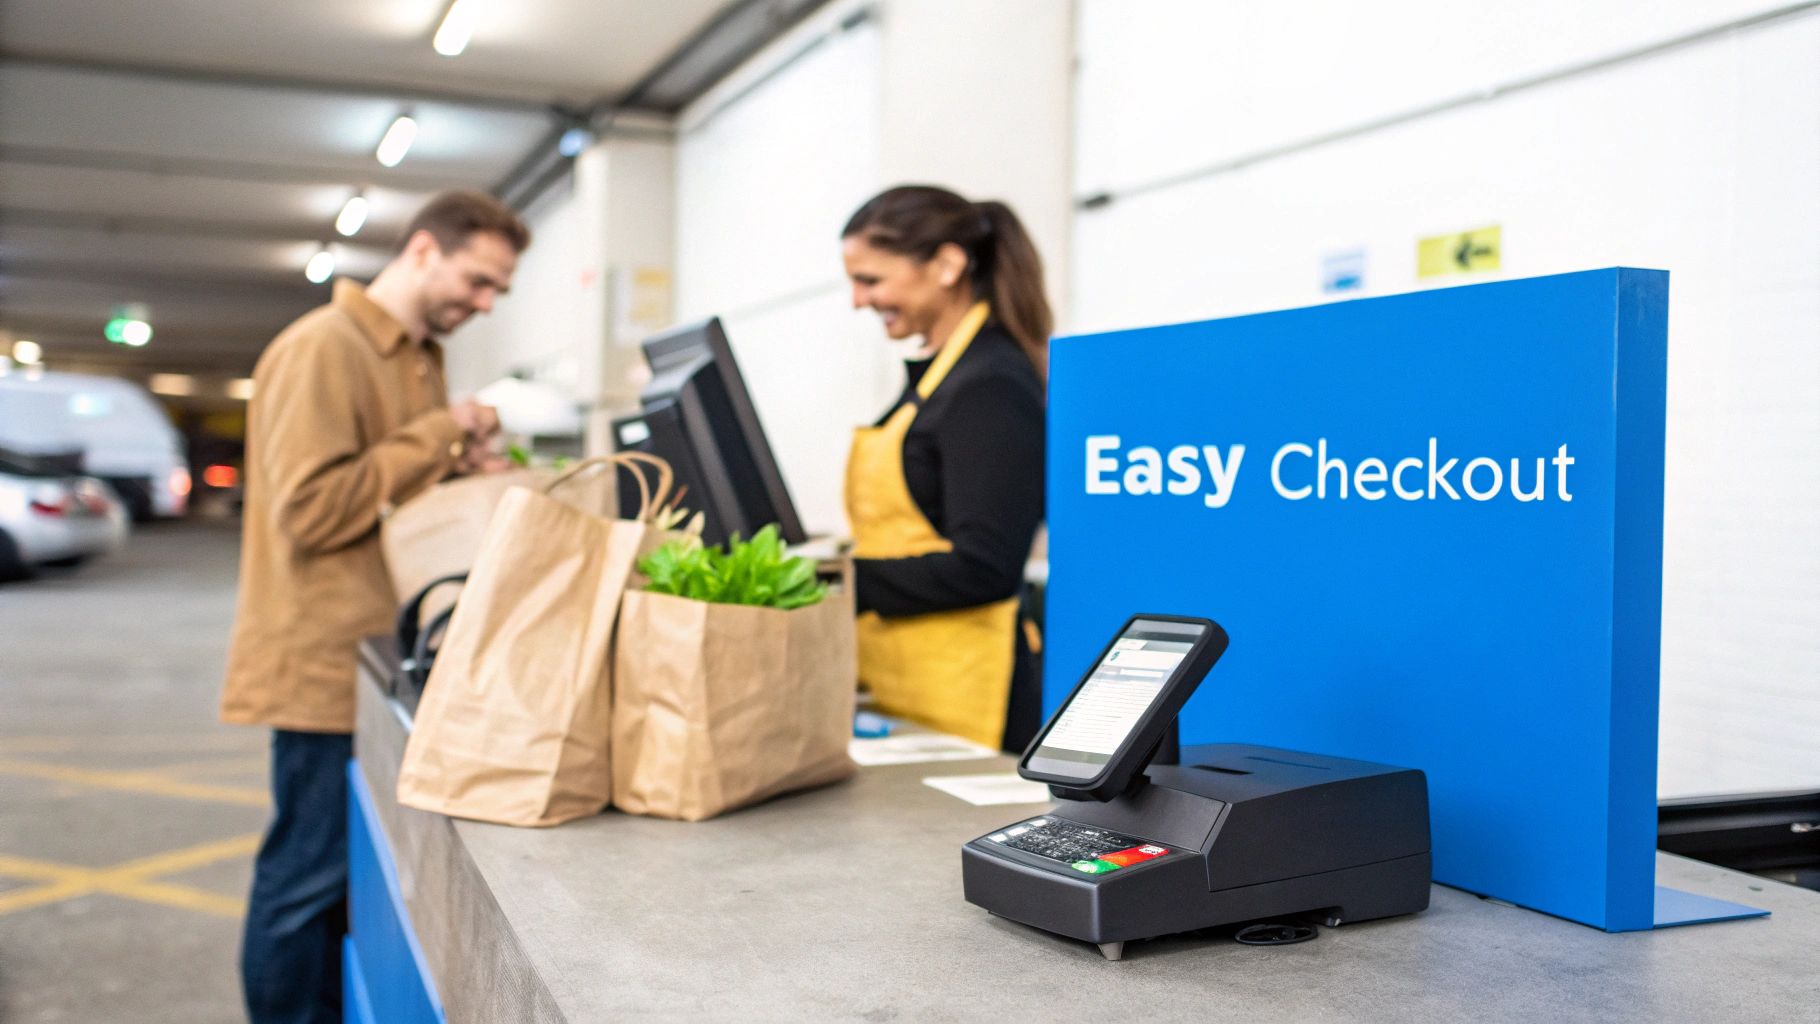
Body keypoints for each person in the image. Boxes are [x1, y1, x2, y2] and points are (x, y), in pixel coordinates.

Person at [220, 190, 528, 1024]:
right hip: (322, 656)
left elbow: (388, 493)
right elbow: (314, 510)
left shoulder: (418, 357)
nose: (486, 303)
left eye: (498, 290)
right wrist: (439, 435)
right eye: (478, 280)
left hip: (376, 648)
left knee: (343, 881)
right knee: (306, 880)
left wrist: (463, 472)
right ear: (423, 251)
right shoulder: (323, 348)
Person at [840, 184, 1050, 752]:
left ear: (948, 265)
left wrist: (843, 581)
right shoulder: (941, 381)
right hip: (909, 682)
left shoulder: (990, 386)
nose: (859, 300)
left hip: (969, 695)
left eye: (872, 280)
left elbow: (985, 566)